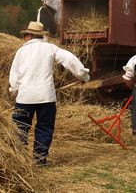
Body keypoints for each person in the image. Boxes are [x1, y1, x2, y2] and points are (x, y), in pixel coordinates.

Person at [9, 21, 90, 166]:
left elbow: (14, 76)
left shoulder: (21, 51)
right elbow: (70, 59)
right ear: (40, 35)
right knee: (44, 127)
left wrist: (14, 91)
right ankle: (40, 159)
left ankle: (18, 159)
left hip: (25, 97)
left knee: (20, 127)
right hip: (46, 97)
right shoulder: (50, 48)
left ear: (28, 36)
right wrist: (83, 76)